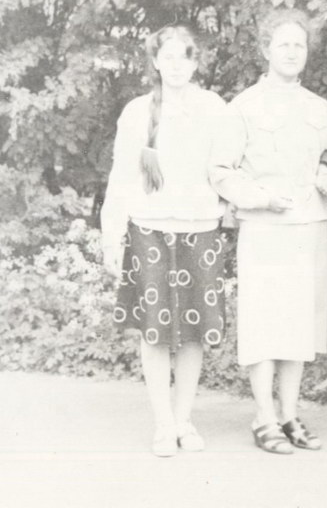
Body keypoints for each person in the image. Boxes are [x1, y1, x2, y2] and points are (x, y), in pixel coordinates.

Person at [210, 9, 327, 454]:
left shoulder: (320, 108)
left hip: (308, 228)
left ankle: (290, 414)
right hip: (265, 228)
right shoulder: (244, 107)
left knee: (298, 325)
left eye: (299, 45)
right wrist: (258, 197)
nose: (291, 52)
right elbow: (221, 171)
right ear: (265, 50)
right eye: (283, 44)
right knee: (264, 323)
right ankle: (264, 417)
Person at [101, 24, 229, 457]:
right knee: (155, 332)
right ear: (155, 61)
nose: (176, 65)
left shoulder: (213, 108)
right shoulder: (137, 112)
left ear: (195, 62)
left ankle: (184, 419)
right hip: (149, 228)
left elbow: (226, 169)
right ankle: (163, 424)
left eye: (184, 57)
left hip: (200, 229)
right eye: (167, 56)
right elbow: (121, 176)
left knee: (192, 332)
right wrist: (112, 235)